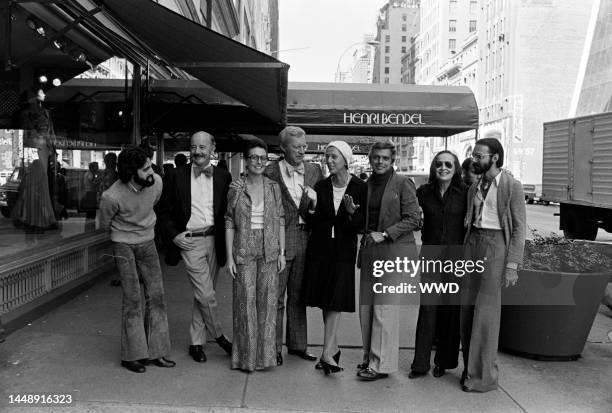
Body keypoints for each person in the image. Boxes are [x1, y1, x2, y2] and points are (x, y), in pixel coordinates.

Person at [158, 131, 233, 363]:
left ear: (212, 149)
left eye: (202, 147)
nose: (197, 151)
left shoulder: (223, 176)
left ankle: (196, 342)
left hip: (215, 240)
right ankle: (220, 336)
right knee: (206, 293)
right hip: (189, 241)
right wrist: (174, 236)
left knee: (203, 295)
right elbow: (163, 212)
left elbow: (227, 213)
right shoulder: (175, 175)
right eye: (193, 147)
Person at [98, 147, 174, 373]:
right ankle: (132, 355)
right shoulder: (112, 196)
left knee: (157, 296)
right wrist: (124, 234)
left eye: (150, 166)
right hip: (123, 243)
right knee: (132, 299)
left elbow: (155, 201)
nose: (152, 171)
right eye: (146, 169)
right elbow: (104, 222)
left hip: (148, 241)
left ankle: (156, 352)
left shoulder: (156, 182)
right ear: (132, 173)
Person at [461, 135, 526, 392]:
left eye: (479, 156)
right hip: (472, 243)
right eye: (474, 155)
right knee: (466, 308)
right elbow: (470, 219)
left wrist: (512, 265)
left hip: (495, 245)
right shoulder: (474, 186)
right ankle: (469, 370)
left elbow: (520, 229)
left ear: (494, 158)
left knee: (486, 313)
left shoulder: (512, 186)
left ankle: (484, 378)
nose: (474, 159)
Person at [357, 141, 421, 381]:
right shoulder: (366, 184)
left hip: (394, 252)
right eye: (376, 158)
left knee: (384, 309)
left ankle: (380, 364)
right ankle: (369, 357)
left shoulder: (403, 184)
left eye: (385, 158)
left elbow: (414, 218)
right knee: (367, 308)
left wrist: (385, 233)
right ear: (370, 159)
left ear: (392, 160)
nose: (380, 162)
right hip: (371, 251)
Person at [303, 141, 367, 375]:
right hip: (320, 249)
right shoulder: (320, 186)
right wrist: (312, 204)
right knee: (325, 298)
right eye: (327, 156)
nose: (329, 161)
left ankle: (327, 352)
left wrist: (351, 214)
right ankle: (332, 348)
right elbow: (312, 221)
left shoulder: (360, 187)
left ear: (345, 160)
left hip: (343, 251)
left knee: (335, 298)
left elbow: (362, 224)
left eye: (334, 157)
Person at [264, 126, 323, 365]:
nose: (302, 151)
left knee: (298, 295)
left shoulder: (314, 170)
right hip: (279, 241)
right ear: (283, 148)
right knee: (275, 297)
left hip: (306, 239)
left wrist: (313, 207)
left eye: (304, 146)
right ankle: (273, 347)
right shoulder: (269, 172)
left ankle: (298, 345)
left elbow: (322, 207)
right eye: (297, 147)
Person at [225, 139, 286, 371]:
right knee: (245, 305)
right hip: (243, 251)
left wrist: (281, 252)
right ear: (246, 160)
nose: (259, 162)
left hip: (269, 251)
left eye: (263, 158)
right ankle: (246, 358)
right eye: (254, 157)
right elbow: (229, 220)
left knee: (268, 306)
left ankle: (265, 358)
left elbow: (280, 218)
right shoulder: (236, 188)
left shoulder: (273, 187)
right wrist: (230, 257)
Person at [409, 151, 467, 379]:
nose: (443, 168)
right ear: (434, 167)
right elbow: (412, 216)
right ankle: (420, 364)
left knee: (450, 312)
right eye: (439, 164)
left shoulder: (465, 193)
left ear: (456, 168)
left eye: (448, 164)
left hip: (456, 258)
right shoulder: (423, 192)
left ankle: (444, 362)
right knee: (428, 309)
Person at [12, 159, 57, 233]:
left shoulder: (30, 176)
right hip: (39, 198)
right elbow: (43, 188)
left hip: (30, 198)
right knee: (39, 212)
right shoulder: (43, 175)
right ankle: (39, 225)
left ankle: (33, 224)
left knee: (31, 212)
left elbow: (25, 187)